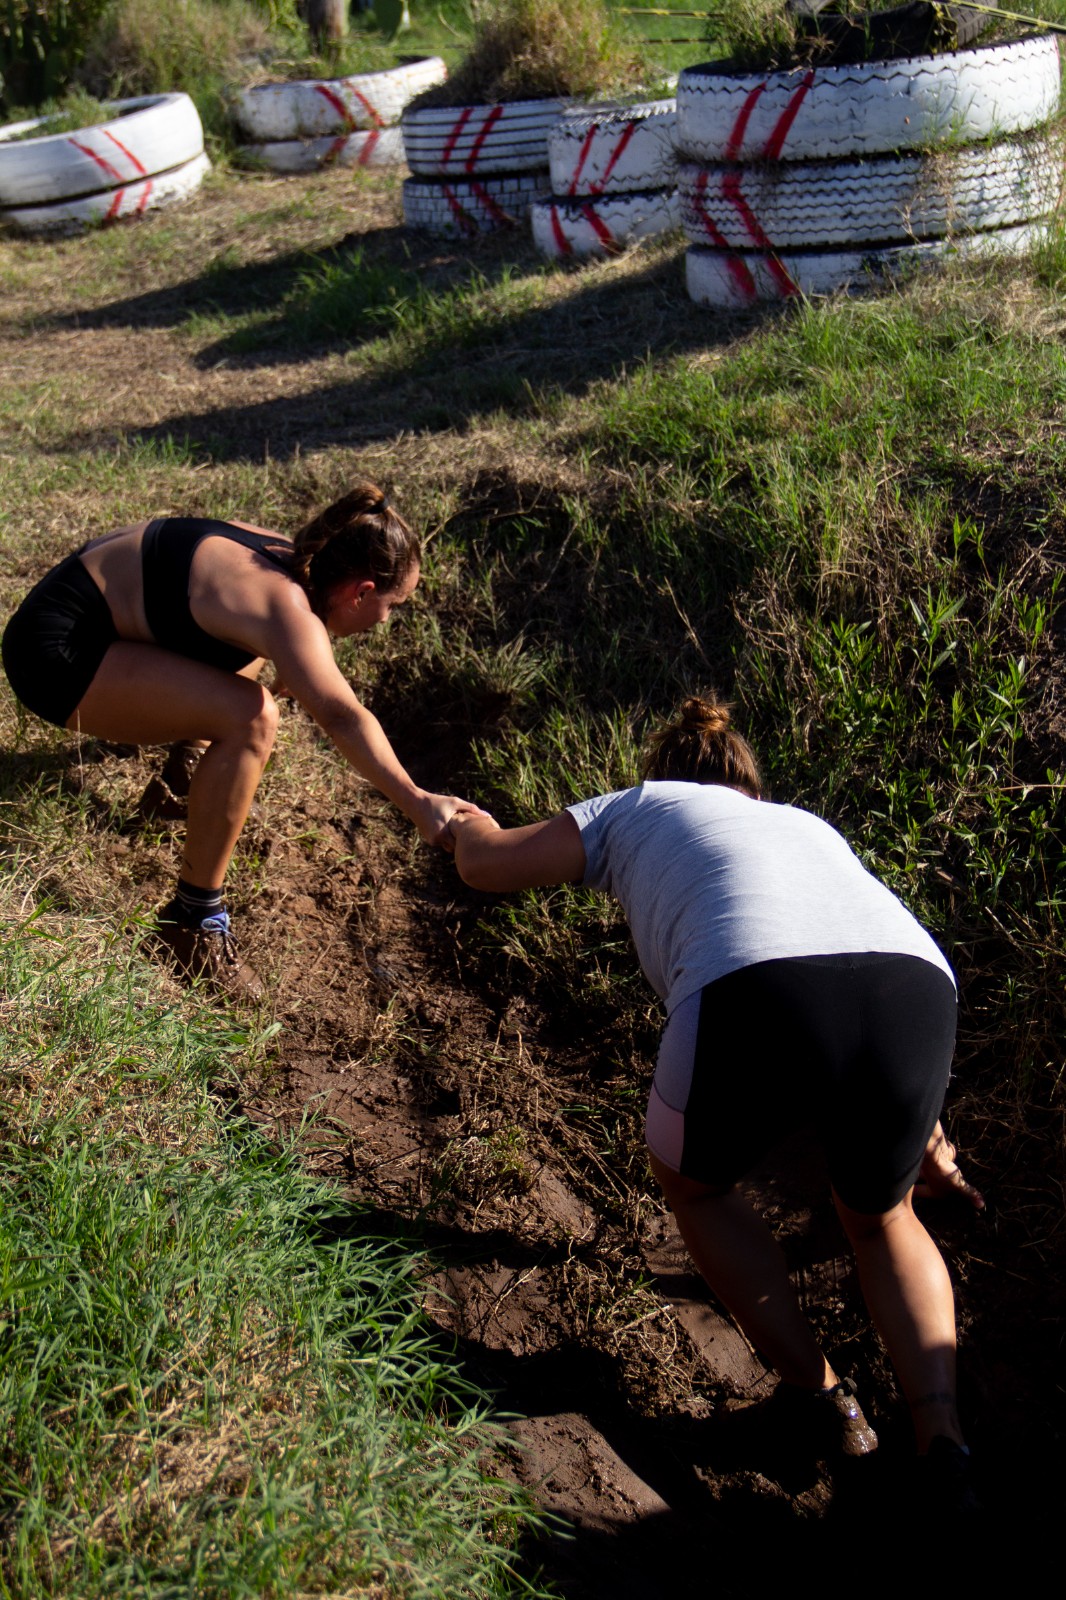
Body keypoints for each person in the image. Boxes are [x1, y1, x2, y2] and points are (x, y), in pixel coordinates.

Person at [448, 695, 984, 1501]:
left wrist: (461, 823)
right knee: (882, 1215)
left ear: (666, 776)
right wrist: (923, 1144)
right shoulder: (806, 826)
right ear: (750, 788)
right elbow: (846, 960)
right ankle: (944, 1443)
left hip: (754, 985)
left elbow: (487, 866)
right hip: (916, 982)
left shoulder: (639, 805)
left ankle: (821, 1399)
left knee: (697, 1187)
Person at [2, 482, 487, 999]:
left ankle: (187, 766)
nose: (388, 619)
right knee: (253, 717)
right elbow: (343, 717)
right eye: (395, 604)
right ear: (361, 591)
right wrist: (418, 801)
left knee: (245, 664)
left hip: (70, 615)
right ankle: (191, 921)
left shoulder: (292, 559)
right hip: (52, 659)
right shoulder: (285, 607)